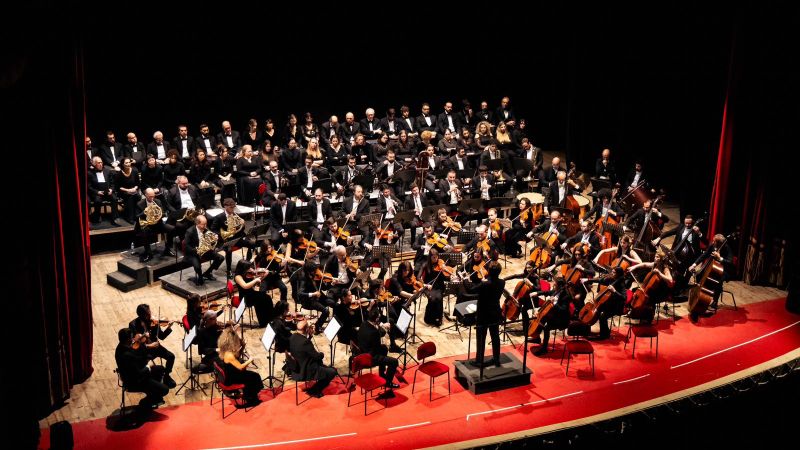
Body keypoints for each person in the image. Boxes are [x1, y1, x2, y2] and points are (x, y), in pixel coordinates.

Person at [115, 328, 169, 409]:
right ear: (128, 340)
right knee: (165, 390)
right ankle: (145, 403)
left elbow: (136, 356)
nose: (133, 339)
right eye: (132, 338)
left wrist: (143, 345)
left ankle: (153, 394)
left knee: (160, 369)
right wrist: (148, 366)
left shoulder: (120, 347)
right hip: (134, 381)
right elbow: (138, 373)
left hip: (136, 372)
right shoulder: (126, 355)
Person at [128, 304, 177, 388]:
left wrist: (169, 327)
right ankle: (149, 381)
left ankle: (166, 376)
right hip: (144, 350)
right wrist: (149, 344)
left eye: (150, 312)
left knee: (171, 356)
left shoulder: (153, 322)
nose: (150, 314)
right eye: (148, 313)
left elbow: (161, 336)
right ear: (142, 315)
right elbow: (135, 344)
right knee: (145, 366)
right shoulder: (133, 325)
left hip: (156, 347)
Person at [357, 308, 401, 396]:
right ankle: (388, 382)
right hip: (370, 357)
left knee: (384, 348)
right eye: (379, 318)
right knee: (394, 362)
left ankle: (382, 373)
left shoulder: (363, 323)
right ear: (376, 319)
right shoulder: (374, 332)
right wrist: (383, 329)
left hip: (362, 351)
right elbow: (377, 348)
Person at [288, 320, 337, 398]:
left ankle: (317, 385)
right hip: (305, 371)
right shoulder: (305, 342)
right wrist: (322, 354)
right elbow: (317, 356)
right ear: (307, 329)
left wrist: (310, 336)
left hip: (296, 368)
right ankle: (314, 391)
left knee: (327, 368)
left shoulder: (293, 337)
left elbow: (304, 347)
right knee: (332, 372)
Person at [217, 327, 263, 406]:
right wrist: (250, 360)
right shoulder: (229, 355)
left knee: (252, 375)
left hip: (231, 374)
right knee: (254, 377)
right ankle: (251, 400)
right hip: (232, 378)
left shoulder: (225, 350)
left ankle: (249, 396)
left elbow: (236, 358)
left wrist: (243, 347)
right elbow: (240, 367)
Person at [469, 261, 504, 368]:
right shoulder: (502, 282)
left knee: (481, 337)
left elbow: (471, 289)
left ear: (488, 271)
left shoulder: (485, 284)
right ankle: (496, 359)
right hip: (495, 312)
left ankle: (479, 361)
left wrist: (466, 280)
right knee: (495, 336)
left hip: (483, 314)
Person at [135, 188, 176, 262]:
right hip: (147, 225)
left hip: (158, 224)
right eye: (150, 196)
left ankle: (167, 249)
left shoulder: (158, 201)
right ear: (146, 195)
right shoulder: (140, 204)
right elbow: (136, 216)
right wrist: (144, 212)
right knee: (144, 233)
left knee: (172, 229)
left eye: (153, 196)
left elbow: (162, 213)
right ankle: (148, 253)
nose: (152, 198)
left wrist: (160, 214)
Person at [184, 215, 225, 286]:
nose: (205, 226)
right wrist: (197, 250)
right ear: (197, 223)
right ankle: (200, 277)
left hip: (205, 251)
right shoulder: (190, 231)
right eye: (203, 224)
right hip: (193, 253)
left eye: (206, 224)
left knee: (220, 258)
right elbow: (187, 246)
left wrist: (214, 238)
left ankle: (207, 273)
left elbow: (211, 240)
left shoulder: (206, 228)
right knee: (197, 267)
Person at [233, 260, 274, 327]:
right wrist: (255, 280)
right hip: (245, 297)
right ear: (243, 268)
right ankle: (263, 322)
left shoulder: (247, 274)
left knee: (267, 298)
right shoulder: (238, 276)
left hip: (251, 293)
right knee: (261, 300)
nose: (250, 269)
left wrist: (264, 275)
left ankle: (269, 318)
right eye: (248, 268)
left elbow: (256, 281)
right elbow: (245, 286)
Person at [88, 156, 120, 225]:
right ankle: (97, 216)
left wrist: (111, 189)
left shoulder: (107, 171)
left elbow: (112, 183)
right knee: (97, 201)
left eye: (101, 162)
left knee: (114, 198)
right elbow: (89, 187)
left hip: (107, 192)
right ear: (94, 164)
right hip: (98, 193)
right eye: (98, 163)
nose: (100, 164)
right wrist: (97, 192)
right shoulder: (90, 173)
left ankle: (114, 218)